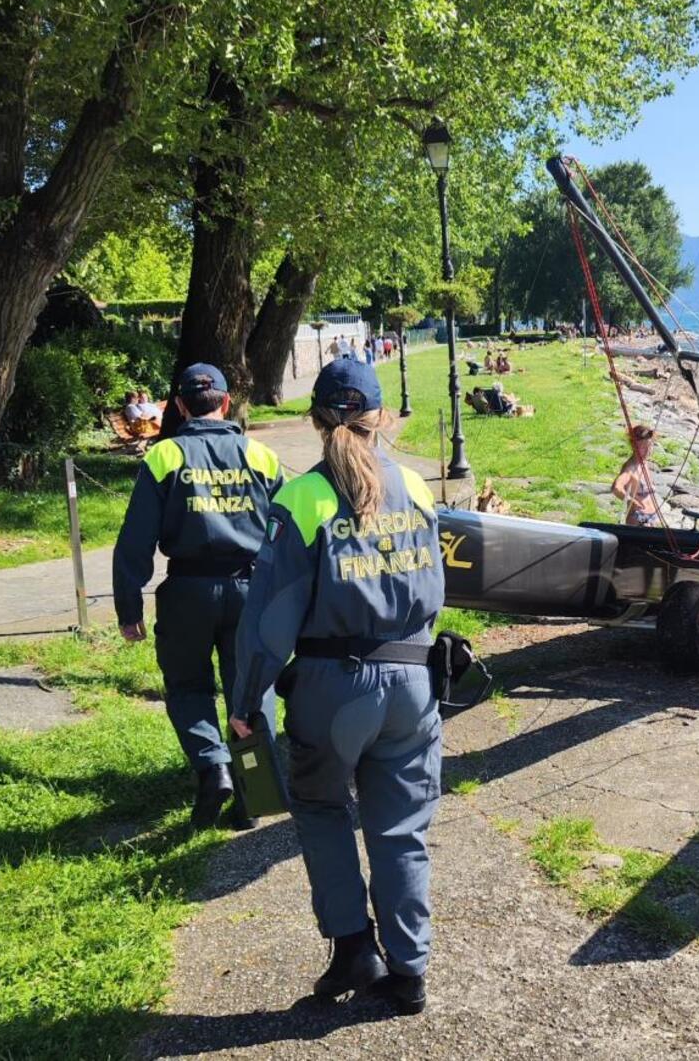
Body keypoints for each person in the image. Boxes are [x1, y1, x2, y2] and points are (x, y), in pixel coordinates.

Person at [230, 358, 444, 1013]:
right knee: (401, 829)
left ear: (317, 419)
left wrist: (244, 706)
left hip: (333, 687)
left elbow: (268, 622)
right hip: (413, 682)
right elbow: (433, 591)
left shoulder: (302, 499)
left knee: (323, 810)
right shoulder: (417, 486)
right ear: (379, 417)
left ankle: (354, 948)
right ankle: (409, 972)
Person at [113, 363, 285, 829]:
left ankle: (213, 768)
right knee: (250, 690)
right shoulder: (262, 456)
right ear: (226, 403)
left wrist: (129, 608)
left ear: (182, 407)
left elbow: (135, 540)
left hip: (186, 590)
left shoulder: (164, 457)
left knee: (188, 686)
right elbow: (286, 536)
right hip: (252, 590)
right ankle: (253, 796)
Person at [611, 424, 660, 527]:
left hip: (652, 517)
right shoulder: (630, 468)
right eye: (643, 447)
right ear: (634, 446)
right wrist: (631, 501)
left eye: (650, 446)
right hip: (638, 519)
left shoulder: (644, 463)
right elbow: (616, 488)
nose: (648, 451)